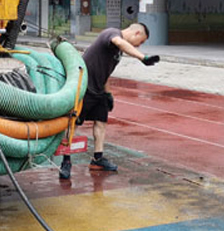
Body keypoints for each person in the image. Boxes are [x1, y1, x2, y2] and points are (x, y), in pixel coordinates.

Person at [59, 23, 160, 180]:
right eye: (141, 41)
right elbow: (119, 42)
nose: (139, 45)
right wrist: (142, 57)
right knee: (74, 124)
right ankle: (66, 161)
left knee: (101, 122)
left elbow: (106, 70)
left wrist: (108, 94)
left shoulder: (118, 50)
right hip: (85, 86)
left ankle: (97, 159)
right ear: (137, 32)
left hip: (99, 90)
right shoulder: (112, 33)